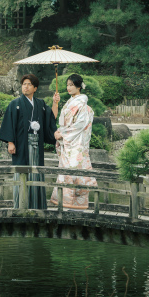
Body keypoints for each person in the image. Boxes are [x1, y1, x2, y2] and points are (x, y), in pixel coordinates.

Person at [0, 74, 59, 209]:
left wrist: (55, 103)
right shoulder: (15, 104)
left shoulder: (40, 104)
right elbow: (9, 123)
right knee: (22, 172)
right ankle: (21, 205)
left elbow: (51, 119)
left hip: (36, 144)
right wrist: (10, 142)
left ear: (35, 88)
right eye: (24, 84)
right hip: (21, 145)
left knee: (36, 173)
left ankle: (37, 205)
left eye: (29, 84)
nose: (25, 86)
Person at [49, 74, 96, 209]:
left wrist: (62, 134)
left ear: (79, 86)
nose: (69, 87)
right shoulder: (70, 102)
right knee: (66, 171)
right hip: (68, 143)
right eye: (68, 85)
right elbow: (64, 122)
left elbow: (80, 125)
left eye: (71, 85)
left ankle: (77, 204)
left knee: (75, 170)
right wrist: (59, 131)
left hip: (76, 143)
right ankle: (65, 202)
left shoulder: (82, 104)